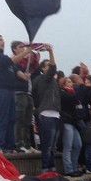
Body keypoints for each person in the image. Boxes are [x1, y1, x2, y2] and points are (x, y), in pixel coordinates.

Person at [0, 34, 31, 153]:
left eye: (3, 40)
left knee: (12, 119)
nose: (3, 42)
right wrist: (26, 51)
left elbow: (17, 72)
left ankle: (10, 146)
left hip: (10, 91)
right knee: (2, 118)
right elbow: (12, 60)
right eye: (0, 40)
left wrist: (25, 76)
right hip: (0, 90)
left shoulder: (3, 57)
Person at [32, 45, 60, 173]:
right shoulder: (43, 79)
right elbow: (54, 68)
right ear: (43, 69)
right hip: (47, 114)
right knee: (47, 145)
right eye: (47, 65)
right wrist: (50, 52)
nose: (50, 67)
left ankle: (51, 168)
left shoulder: (52, 81)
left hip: (54, 114)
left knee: (51, 145)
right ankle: (46, 169)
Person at [11, 41, 38, 153]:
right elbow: (19, 74)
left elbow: (34, 67)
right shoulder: (13, 61)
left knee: (28, 120)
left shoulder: (25, 62)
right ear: (14, 49)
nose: (22, 49)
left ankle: (28, 144)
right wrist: (24, 75)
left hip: (27, 92)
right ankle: (19, 144)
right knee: (20, 119)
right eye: (20, 47)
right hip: (18, 93)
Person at [58, 75, 83, 177]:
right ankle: (68, 169)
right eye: (69, 82)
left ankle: (74, 166)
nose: (71, 84)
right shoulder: (62, 93)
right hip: (66, 121)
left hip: (73, 123)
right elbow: (72, 98)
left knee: (78, 145)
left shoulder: (73, 94)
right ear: (63, 84)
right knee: (68, 146)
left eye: (71, 82)